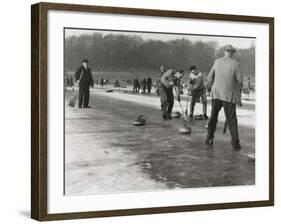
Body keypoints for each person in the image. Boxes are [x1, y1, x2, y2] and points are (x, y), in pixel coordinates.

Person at [206, 45, 243, 150]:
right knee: (232, 120)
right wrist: (238, 96)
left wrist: (212, 88)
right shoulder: (235, 64)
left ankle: (209, 138)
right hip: (228, 96)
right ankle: (235, 144)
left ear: (224, 52)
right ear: (232, 53)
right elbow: (240, 81)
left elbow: (209, 78)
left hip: (216, 94)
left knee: (213, 118)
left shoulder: (217, 61)